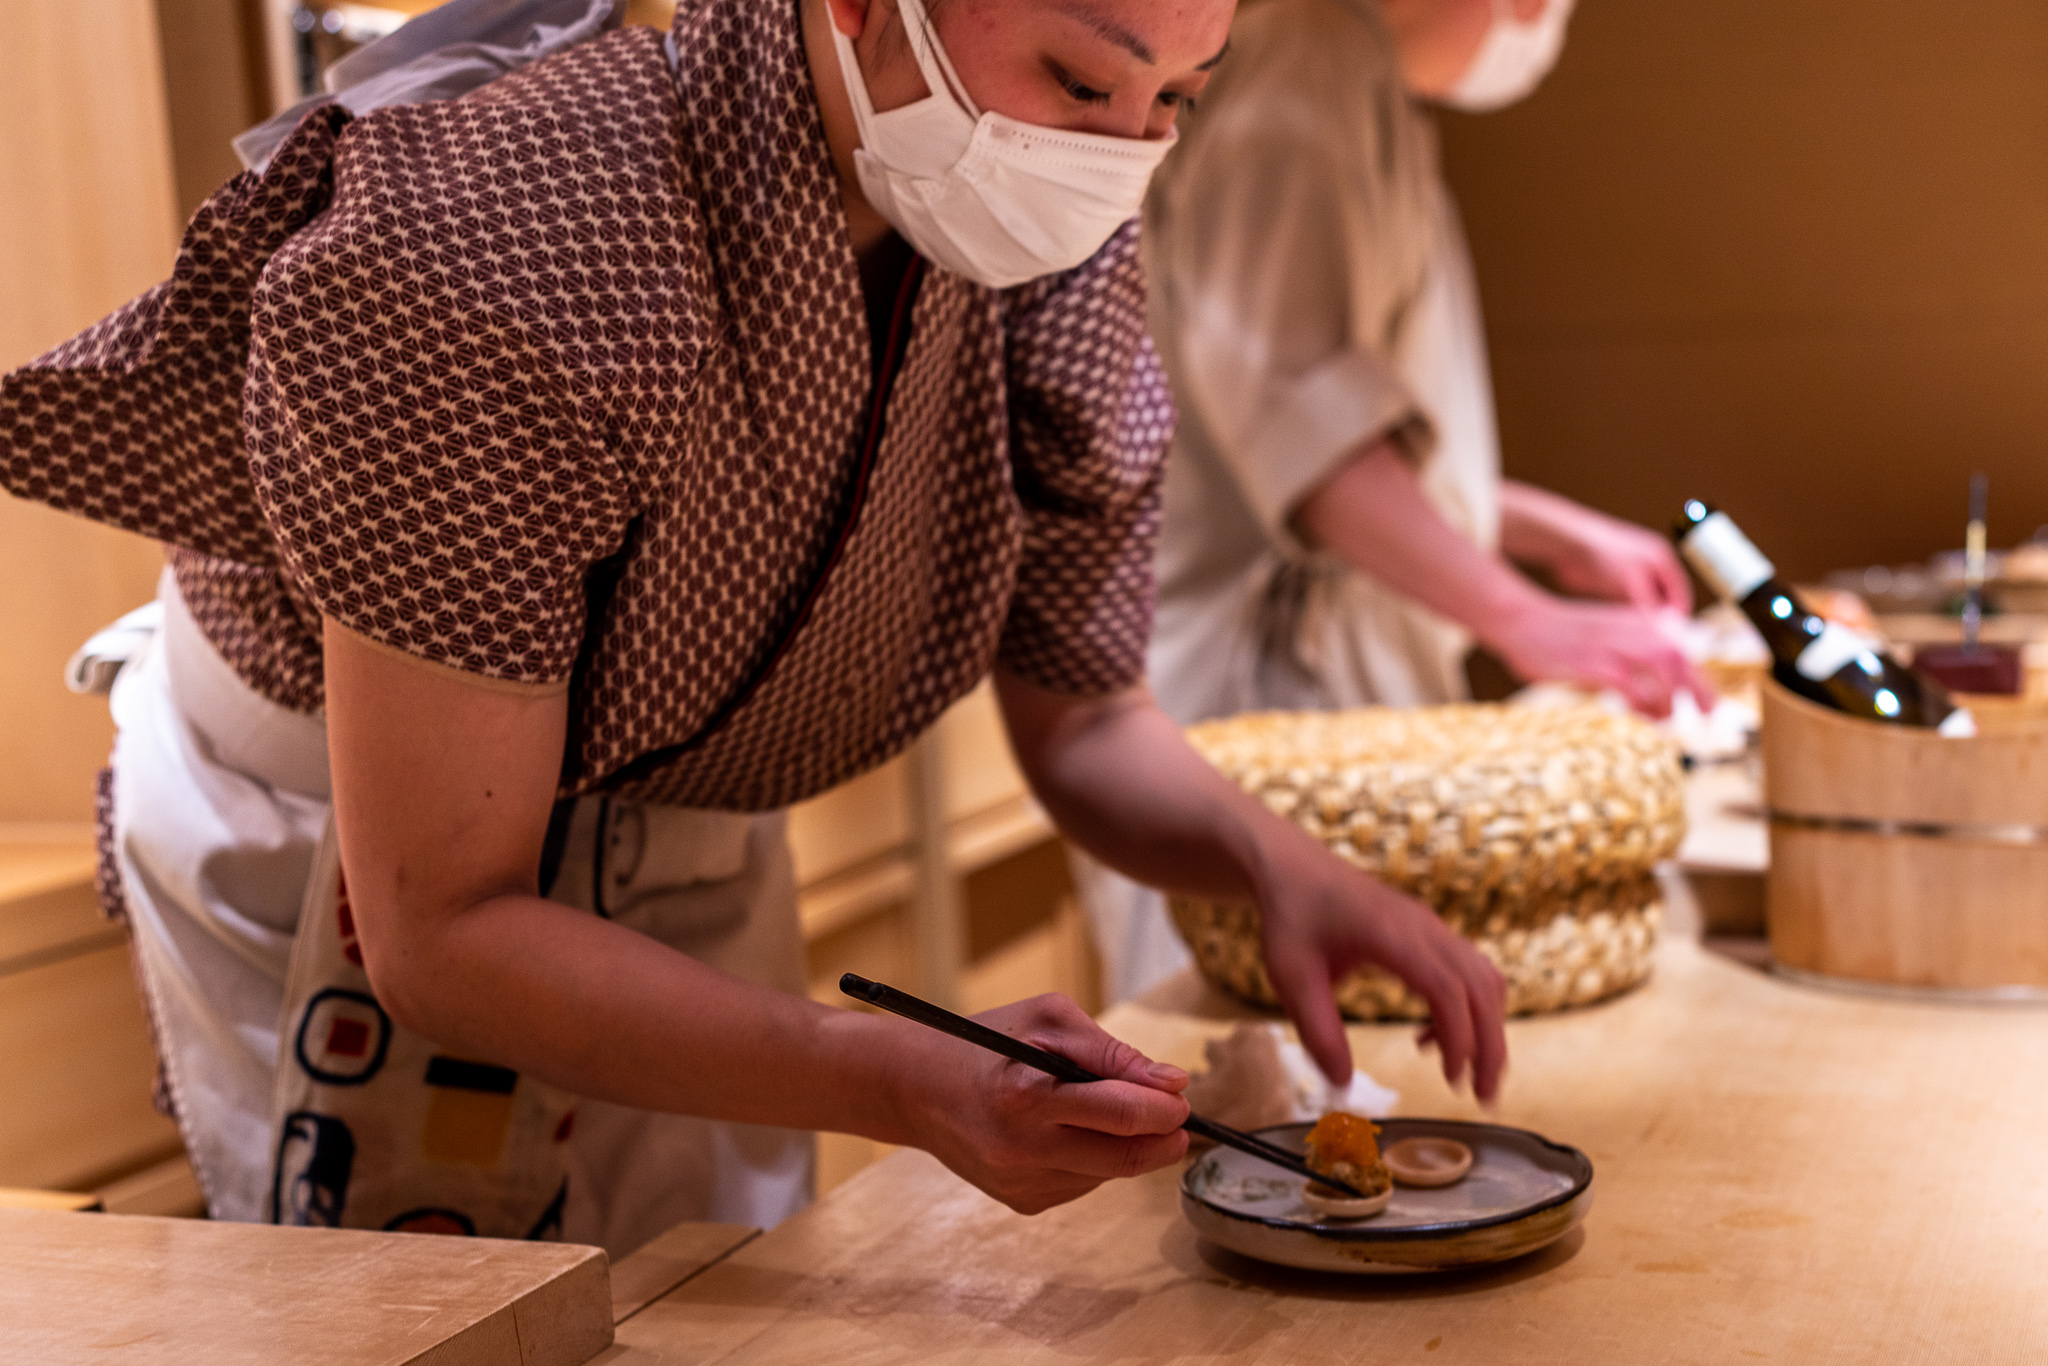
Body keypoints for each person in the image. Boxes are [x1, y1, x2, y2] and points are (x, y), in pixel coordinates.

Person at [0, 0, 1504, 1256]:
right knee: (437, 1311)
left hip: (691, 793)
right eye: (1077, 75)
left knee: (721, 1282)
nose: (1119, 149)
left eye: (1177, 95)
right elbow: (443, 930)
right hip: (364, 837)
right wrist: (894, 1077)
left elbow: (1090, 716)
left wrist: (1275, 863)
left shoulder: (1047, 223)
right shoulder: (486, 238)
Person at [1076, 0, 1713, 1004]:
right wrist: (1526, 618)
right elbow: (1298, 423)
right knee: (1251, 1050)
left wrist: (1541, 530)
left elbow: (1323, 431)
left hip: (1307, 688)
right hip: (1263, 698)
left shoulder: (1355, 80)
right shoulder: (1309, 58)